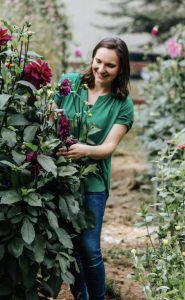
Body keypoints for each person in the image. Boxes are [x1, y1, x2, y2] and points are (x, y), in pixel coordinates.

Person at [52, 37, 134, 300]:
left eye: (110, 65)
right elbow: (49, 113)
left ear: (121, 69)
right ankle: (81, 295)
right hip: (60, 176)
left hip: (93, 181)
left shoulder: (122, 104)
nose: (101, 69)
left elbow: (108, 147)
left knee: (89, 248)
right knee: (70, 246)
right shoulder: (70, 82)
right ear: (92, 59)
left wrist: (84, 149)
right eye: (98, 61)